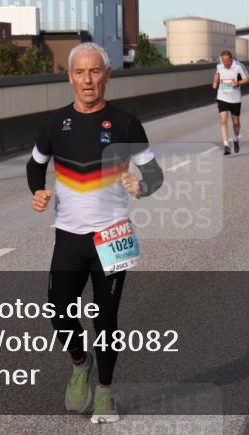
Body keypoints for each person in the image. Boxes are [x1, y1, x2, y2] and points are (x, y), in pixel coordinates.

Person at [27, 42, 165, 424]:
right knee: (58, 309)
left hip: (112, 234)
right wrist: (37, 191)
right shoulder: (53, 124)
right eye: (80, 72)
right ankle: (79, 362)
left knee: (106, 319)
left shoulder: (125, 123)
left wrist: (142, 186)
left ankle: (104, 392)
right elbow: (34, 166)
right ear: (69, 77)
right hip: (69, 235)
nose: (88, 80)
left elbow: (154, 175)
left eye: (95, 71)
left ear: (107, 75)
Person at [213, 50, 249, 155]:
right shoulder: (219, 66)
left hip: (235, 99)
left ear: (231, 59)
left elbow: (248, 79)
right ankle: (226, 145)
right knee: (223, 121)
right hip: (222, 97)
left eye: (227, 61)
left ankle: (235, 138)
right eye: (224, 61)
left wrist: (238, 82)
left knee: (236, 123)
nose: (226, 63)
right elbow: (216, 78)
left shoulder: (238, 66)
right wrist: (215, 81)